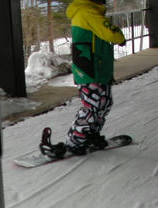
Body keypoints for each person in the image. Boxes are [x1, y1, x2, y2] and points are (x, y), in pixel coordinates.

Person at [40, 0, 126, 158]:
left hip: (96, 68)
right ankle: (75, 141)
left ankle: (89, 135)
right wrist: (120, 37)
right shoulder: (87, 11)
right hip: (89, 69)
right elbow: (109, 32)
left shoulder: (89, 11)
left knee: (103, 103)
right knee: (93, 106)